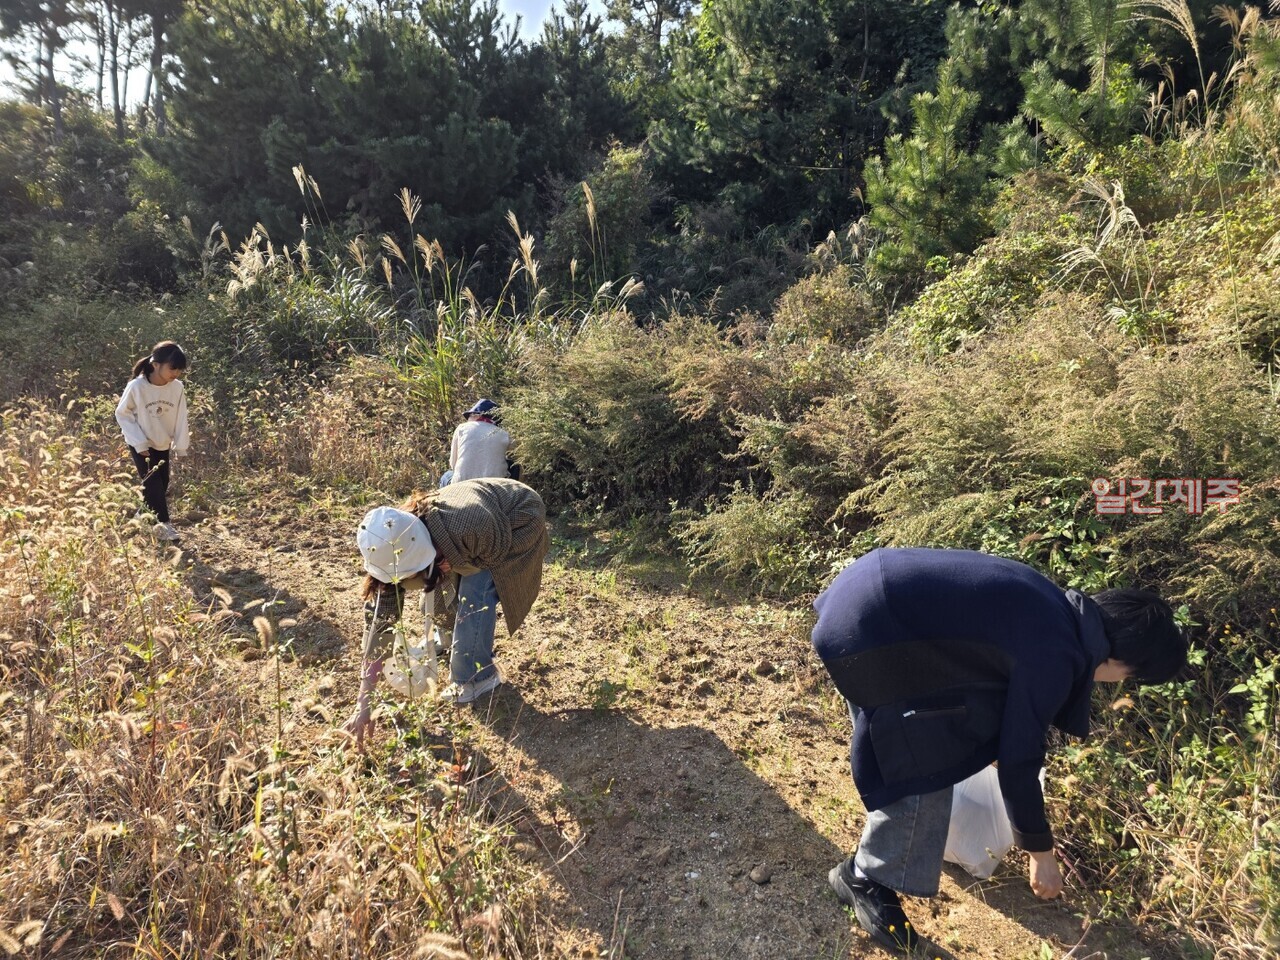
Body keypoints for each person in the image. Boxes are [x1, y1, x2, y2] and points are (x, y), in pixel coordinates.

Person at [810, 547, 1187, 953]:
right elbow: (1020, 756)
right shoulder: (1058, 651)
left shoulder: (1054, 605)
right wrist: (1040, 851)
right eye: (1130, 678)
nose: (1118, 684)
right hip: (871, 626)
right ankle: (864, 877)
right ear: (1123, 659)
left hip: (859, 594)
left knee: (920, 737)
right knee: (924, 758)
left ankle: (893, 845)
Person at [342, 477, 548, 748]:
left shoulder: (472, 528)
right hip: (469, 528)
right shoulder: (391, 547)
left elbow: (488, 559)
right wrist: (363, 703)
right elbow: (379, 630)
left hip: (517, 517)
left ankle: (477, 677)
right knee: (441, 583)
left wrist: (456, 567)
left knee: (475, 591)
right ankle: (449, 637)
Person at [115, 340, 190, 542]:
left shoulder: (177, 388)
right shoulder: (137, 387)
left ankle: (142, 516)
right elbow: (122, 414)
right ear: (156, 364)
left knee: (162, 482)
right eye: (172, 368)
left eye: (179, 369)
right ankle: (164, 525)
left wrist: (180, 445)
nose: (176, 373)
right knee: (153, 483)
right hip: (141, 444)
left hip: (162, 441)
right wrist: (139, 442)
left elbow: (181, 415)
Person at [442, 398, 514, 486]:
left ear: (476, 415)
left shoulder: (462, 428)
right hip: (495, 484)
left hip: (462, 482)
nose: (468, 419)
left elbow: (453, 464)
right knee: (514, 466)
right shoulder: (504, 434)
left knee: (446, 476)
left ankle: (443, 499)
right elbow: (518, 455)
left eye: (470, 416)